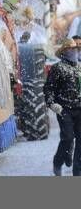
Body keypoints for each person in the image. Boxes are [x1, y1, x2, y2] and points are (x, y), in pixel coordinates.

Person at [44, 38, 81, 176]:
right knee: (68, 138)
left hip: (79, 108)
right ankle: (58, 161)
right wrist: (52, 103)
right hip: (64, 108)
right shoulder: (57, 68)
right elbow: (49, 88)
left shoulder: (80, 67)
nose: (74, 51)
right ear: (65, 51)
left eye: (76, 49)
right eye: (71, 49)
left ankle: (78, 172)